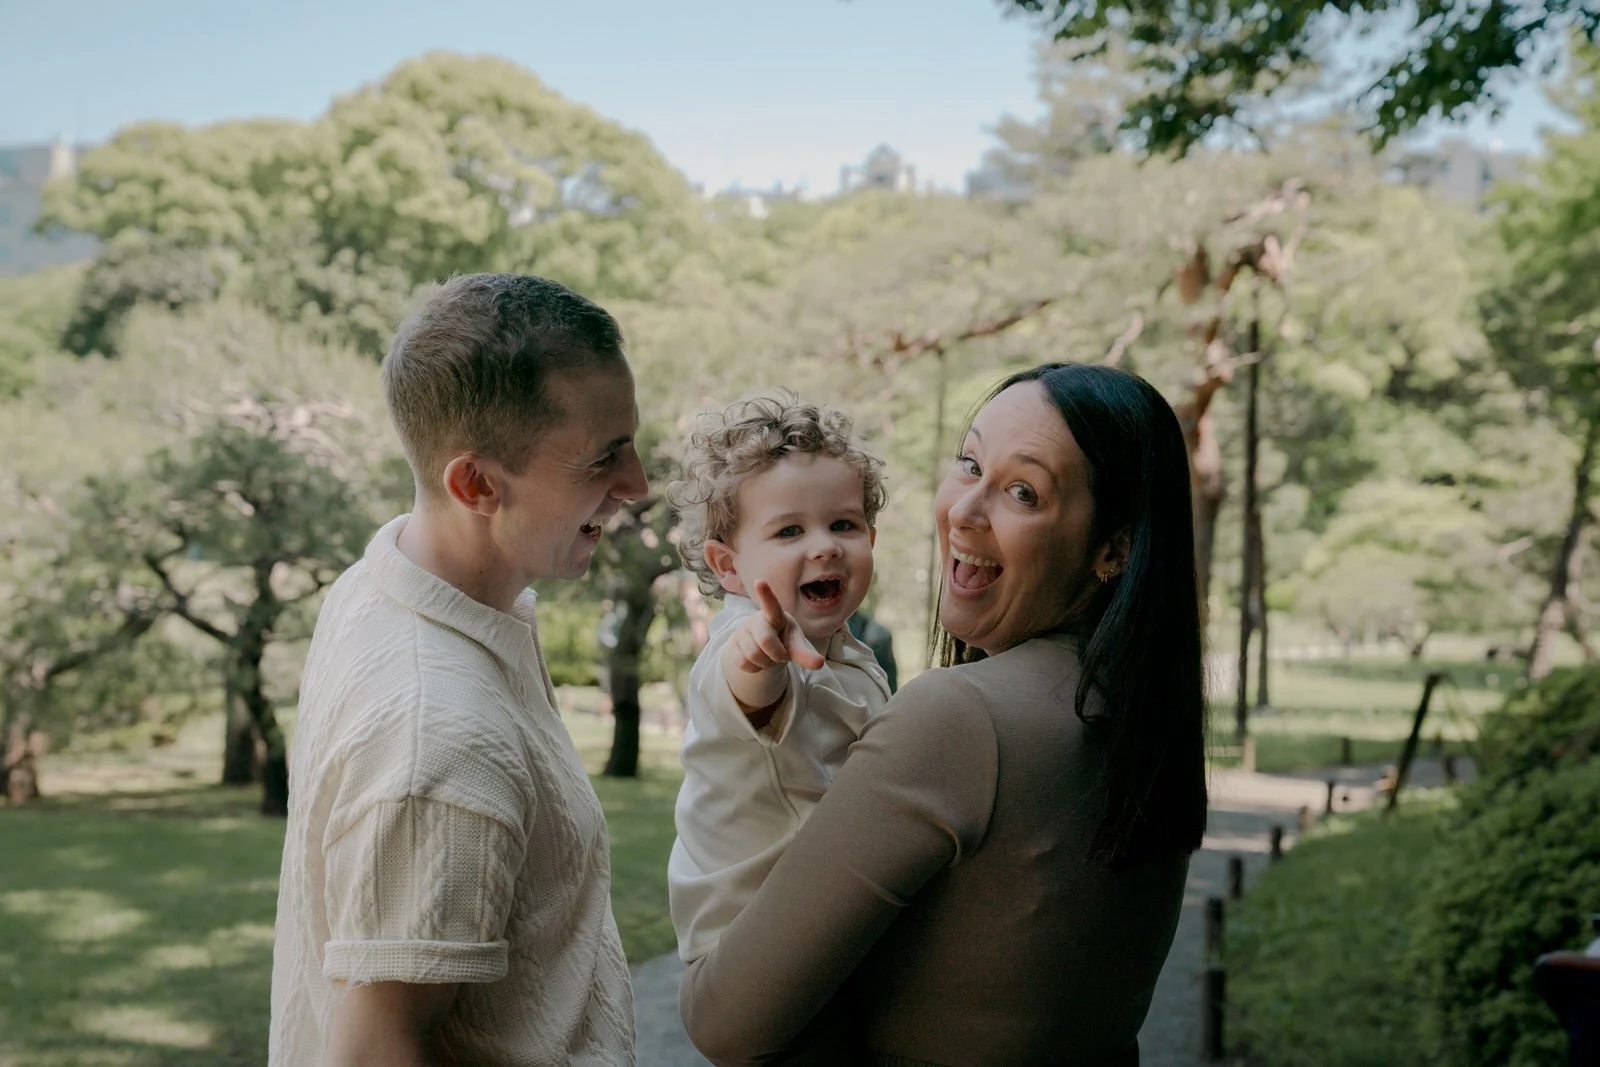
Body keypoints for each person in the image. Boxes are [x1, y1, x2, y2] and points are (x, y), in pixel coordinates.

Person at [680, 362, 1209, 1066]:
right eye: (969, 463)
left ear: (1112, 547)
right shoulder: (1137, 718)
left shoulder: (964, 718)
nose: (964, 509)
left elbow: (723, 1022)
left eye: (1023, 491)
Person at [269, 273, 648, 1067]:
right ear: (474, 484)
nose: (637, 485)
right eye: (604, 458)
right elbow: (378, 1051)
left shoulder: (388, 578)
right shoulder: (438, 741)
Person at [664, 391, 891, 975]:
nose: (824, 545)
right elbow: (750, 690)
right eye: (789, 531)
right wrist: (760, 657)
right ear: (728, 567)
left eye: (844, 523)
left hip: (807, 925)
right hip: (749, 945)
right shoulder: (744, 645)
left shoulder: (842, 648)